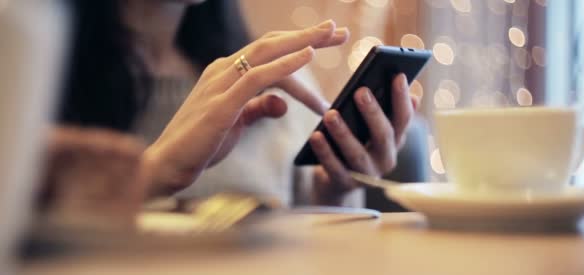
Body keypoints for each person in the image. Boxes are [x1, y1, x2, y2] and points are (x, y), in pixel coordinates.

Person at [58, 0, 419, 207]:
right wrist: (154, 172)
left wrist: (334, 190)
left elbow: (315, 268)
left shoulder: (274, 76)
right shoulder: (30, 76)